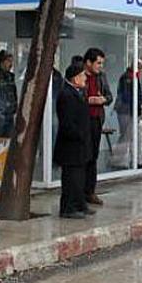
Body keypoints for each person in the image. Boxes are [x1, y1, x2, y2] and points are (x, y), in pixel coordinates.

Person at [54, 63, 94, 219]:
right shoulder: (66, 95)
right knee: (71, 179)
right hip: (71, 146)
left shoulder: (77, 92)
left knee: (79, 178)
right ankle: (68, 208)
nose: (85, 78)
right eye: (83, 76)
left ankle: (80, 204)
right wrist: (79, 135)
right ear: (76, 78)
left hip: (80, 145)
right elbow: (67, 123)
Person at [83, 48, 113, 206]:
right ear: (88, 62)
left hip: (96, 120)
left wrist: (103, 99)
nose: (100, 66)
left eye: (102, 63)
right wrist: (88, 100)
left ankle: (90, 191)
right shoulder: (80, 76)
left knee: (93, 156)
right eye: (98, 63)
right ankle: (80, 191)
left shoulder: (101, 77)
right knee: (83, 155)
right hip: (83, 120)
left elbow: (110, 96)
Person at [113, 60, 142, 168]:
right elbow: (127, 97)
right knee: (126, 136)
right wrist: (135, 110)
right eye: (140, 68)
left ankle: (136, 160)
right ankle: (118, 161)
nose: (141, 71)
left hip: (132, 111)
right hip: (126, 112)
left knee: (135, 136)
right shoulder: (127, 78)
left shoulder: (133, 77)